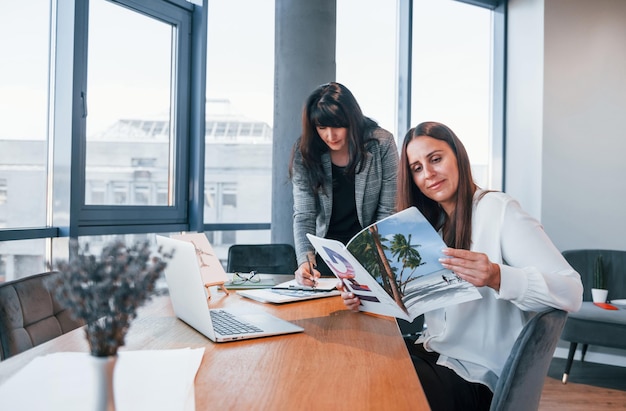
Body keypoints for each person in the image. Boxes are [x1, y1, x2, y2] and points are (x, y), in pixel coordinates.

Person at [338, 121, 583, 411]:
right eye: (417, 168)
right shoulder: (433, 228)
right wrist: (364, 296)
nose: (428, 174)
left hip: (478, 375)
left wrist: (497, 276)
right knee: (355, 362)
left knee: (382, 386)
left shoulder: (498, 210)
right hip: (437, 350)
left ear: (458, 156)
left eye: (436, 159)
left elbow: (572, 290)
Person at [289, 82, 399, 285]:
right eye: (322, 128)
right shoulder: (305, 151)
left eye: (338, 126)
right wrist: (305, 260)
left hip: (372, 251)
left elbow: (387, 212)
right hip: (327, 255)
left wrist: (373, 262)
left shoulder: (382, 144)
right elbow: (304, 215)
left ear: (352, 120)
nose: (330, 136)